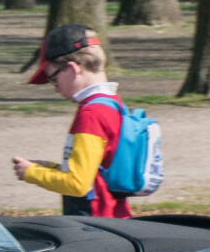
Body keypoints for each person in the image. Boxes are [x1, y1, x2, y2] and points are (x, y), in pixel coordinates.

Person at [12, 23, 135, 219]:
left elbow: (77, 184)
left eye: (53, 79)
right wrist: (50, 168)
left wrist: (31, 173)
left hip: (95, 224)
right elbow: (94, 172)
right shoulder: (112, 103)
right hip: (114, 217)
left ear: (72, 68)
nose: (55, 88)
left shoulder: (91, 114)